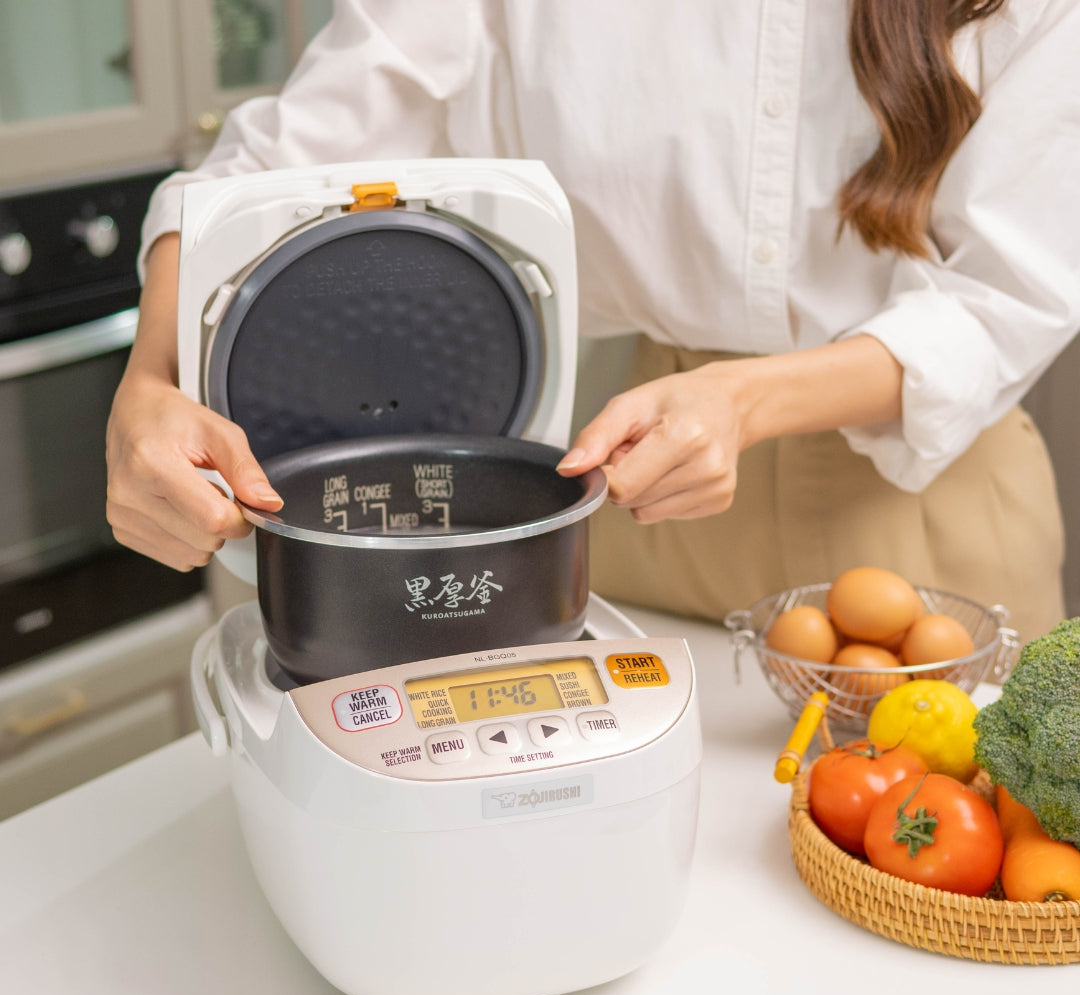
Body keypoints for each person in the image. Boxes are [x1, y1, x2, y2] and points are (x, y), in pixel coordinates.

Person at [106, 0, 1080, 643]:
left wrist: (744, 401)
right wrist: (150, 382)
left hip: (934, 514)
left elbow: (1010, 294)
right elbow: (278, 158)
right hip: (641, 503)